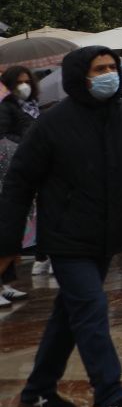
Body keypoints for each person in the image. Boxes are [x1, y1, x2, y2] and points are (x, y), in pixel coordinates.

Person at [0, 47, 122, 407]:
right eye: (100, 69)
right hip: (66, 237)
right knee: (92, 309)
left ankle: (38, 390)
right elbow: (18, 182)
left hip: (106, 236)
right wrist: (8, 245)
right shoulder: (52, 123)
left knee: (72, 313)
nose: (108, 74)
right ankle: (111, 398)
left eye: (113, 67)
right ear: (80, 75)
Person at [0, 64, 39, 305]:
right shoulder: (6, 107)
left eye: (27, 81)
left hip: (16, 172)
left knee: (11, 233)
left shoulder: (24, 107)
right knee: (6, 232)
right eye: (18, 82)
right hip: (8, 174)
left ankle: (5, 284)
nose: (24, 86)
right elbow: (3, 137)